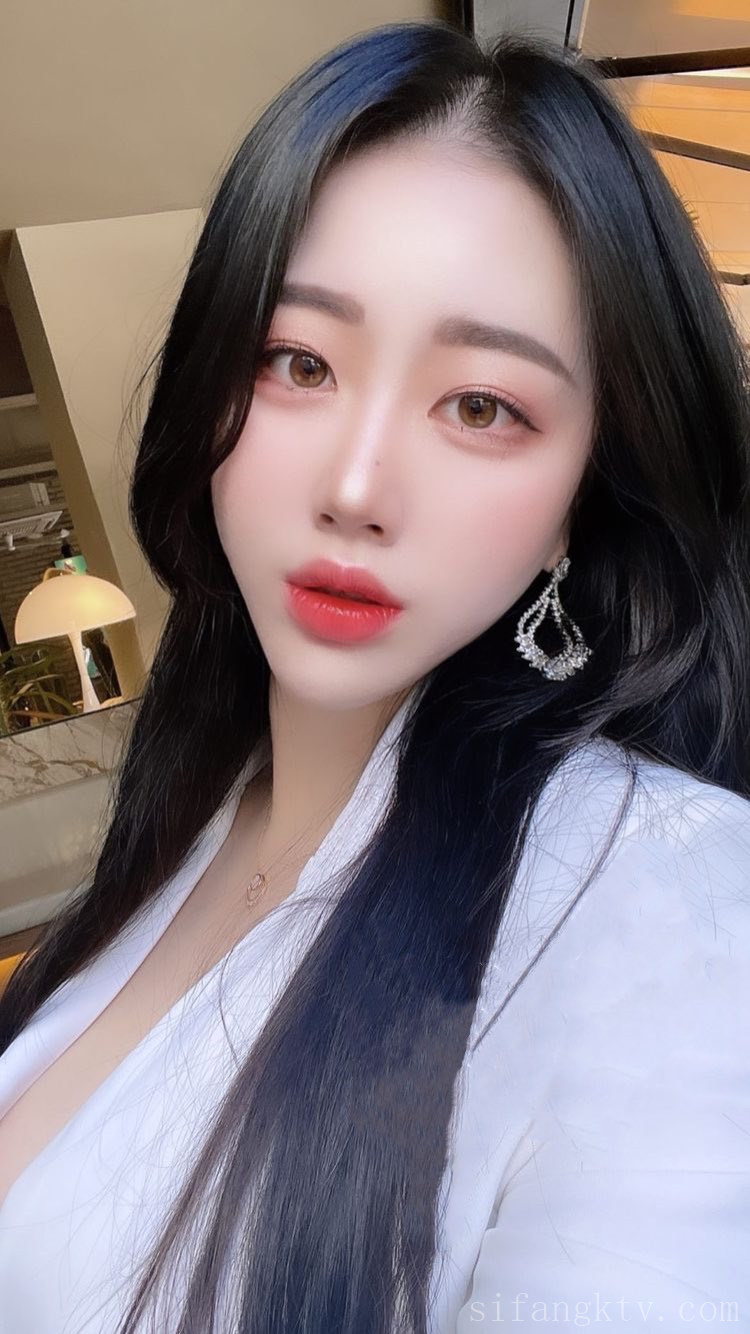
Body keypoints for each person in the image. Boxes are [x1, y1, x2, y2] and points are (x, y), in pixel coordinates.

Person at [0, 18, 748, 1333]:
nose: (355, 488)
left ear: (584, 492)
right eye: (299, 363)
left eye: (481, 406)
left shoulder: (669, 901)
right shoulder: (199, 807)